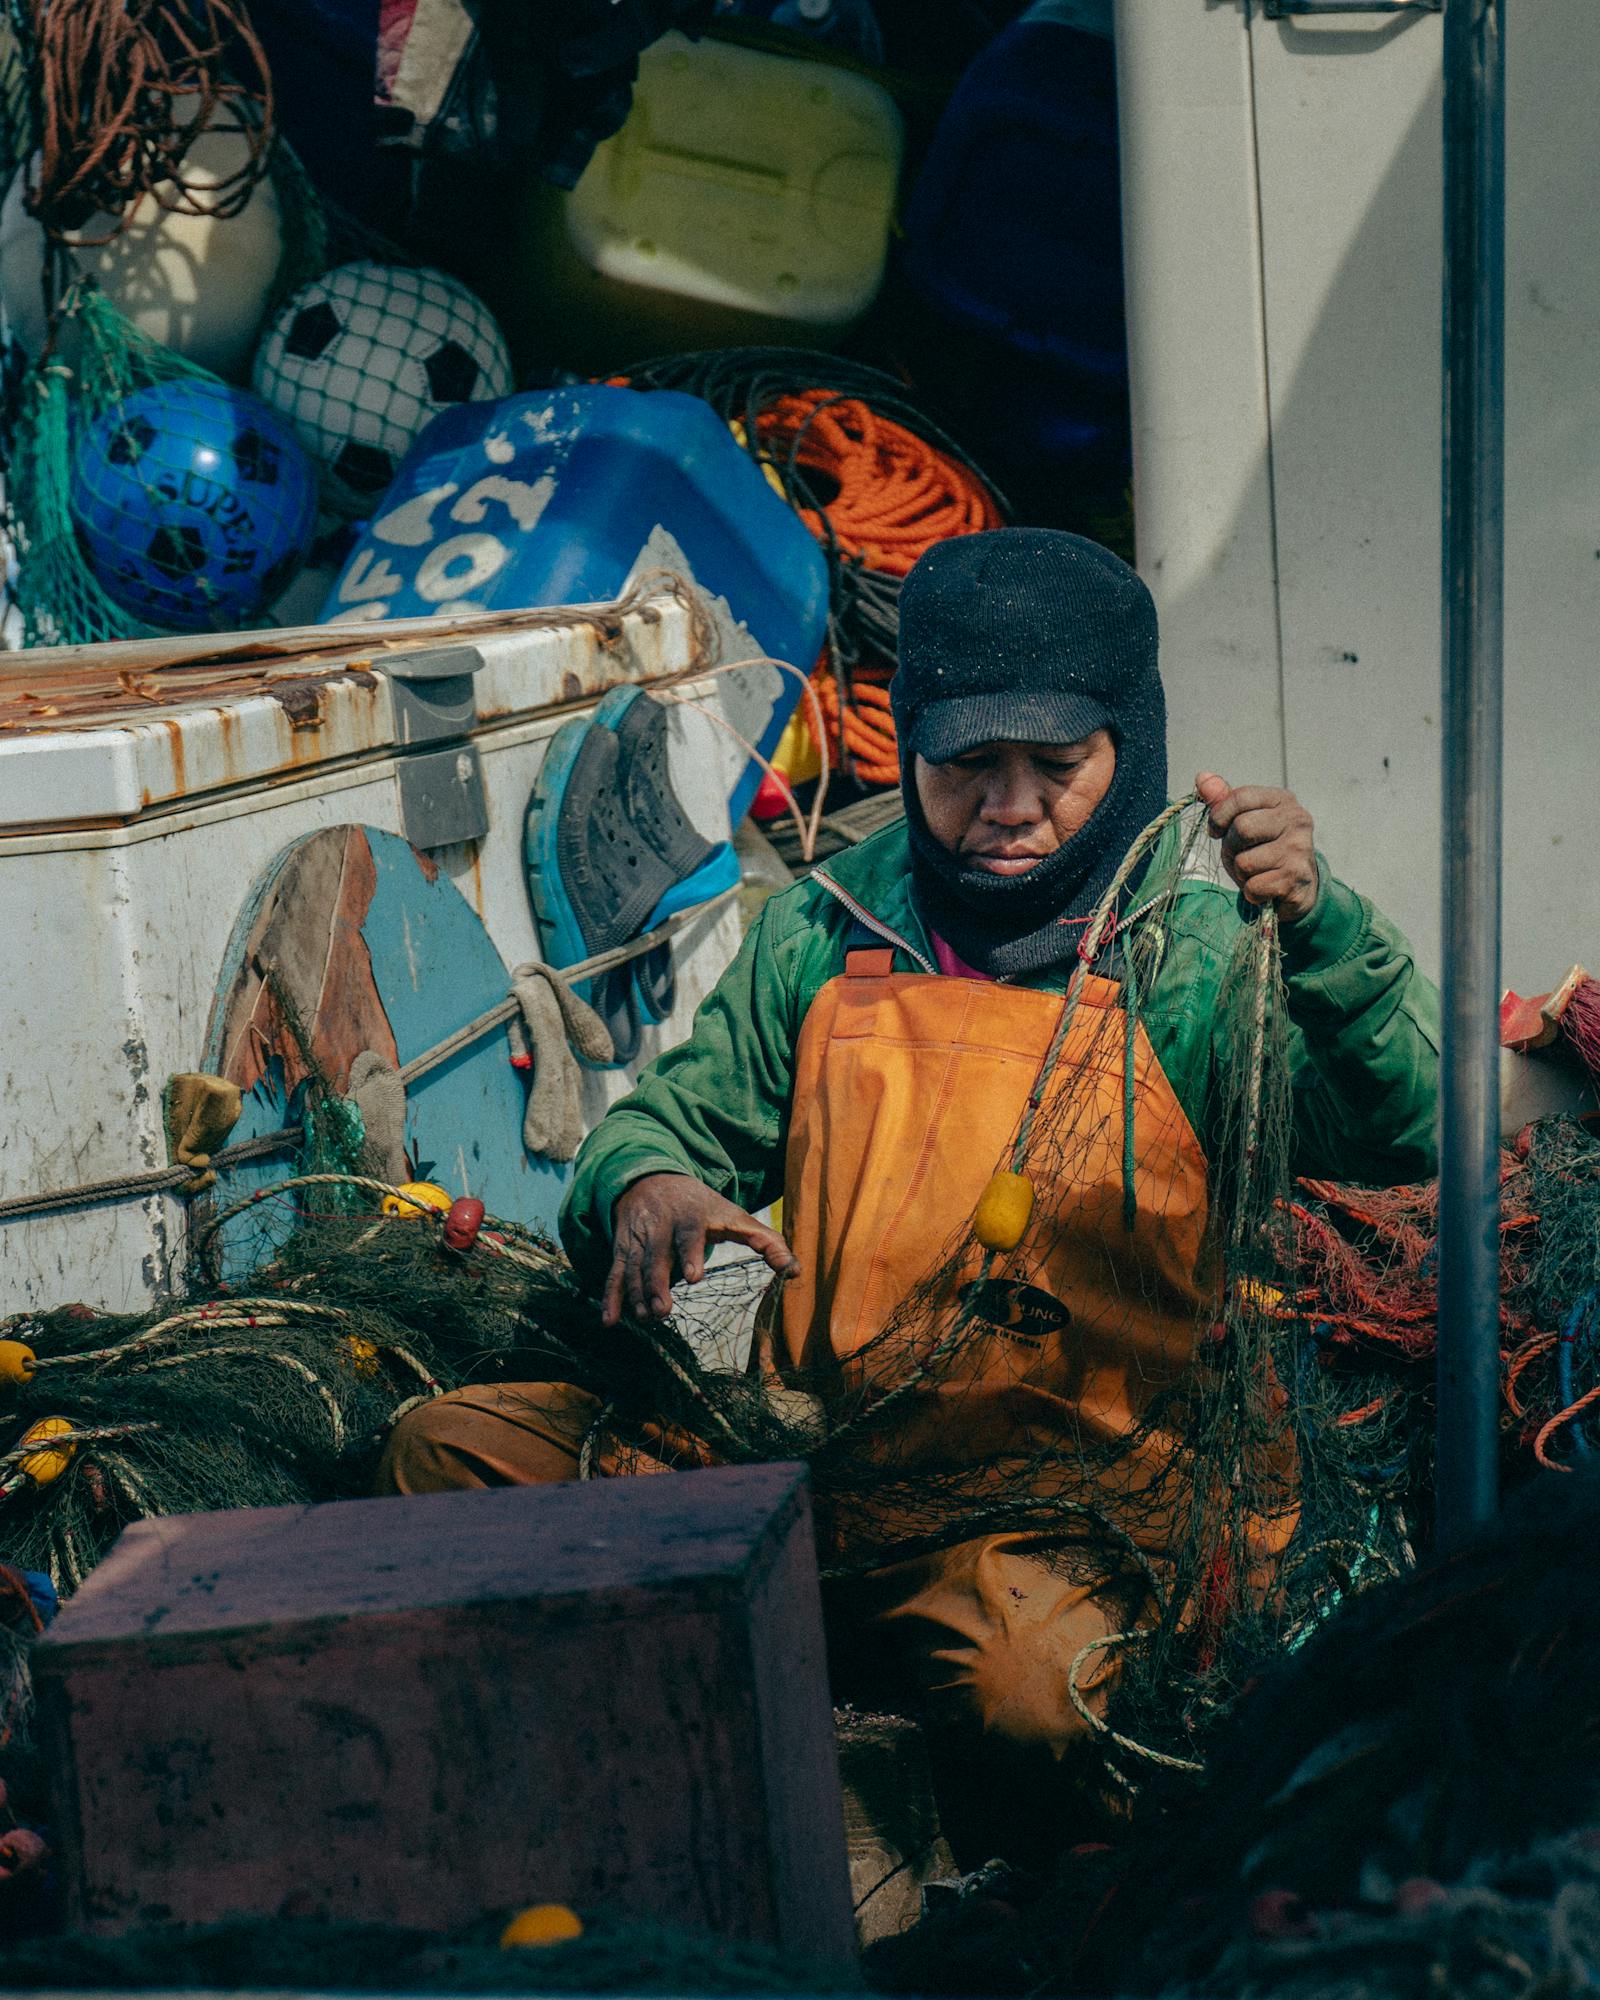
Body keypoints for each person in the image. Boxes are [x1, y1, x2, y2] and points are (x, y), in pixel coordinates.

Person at [379, 529, 1439, 1832]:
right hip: (806, 1462)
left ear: (1134, 752)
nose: (1008, 806)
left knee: (1041, 1698)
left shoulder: (1206, 956)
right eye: (964, 765)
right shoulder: (825, 925)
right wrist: (645, 1184)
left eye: (1056, 767)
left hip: (1059, 1517)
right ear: (912, 746)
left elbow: (1403, 1146)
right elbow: (669, 1120)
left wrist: (1329, 933)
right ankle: (679, 1779)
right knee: (446, 1461)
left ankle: (939, 1829)